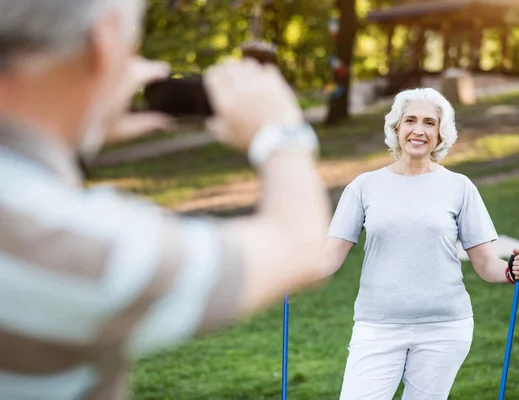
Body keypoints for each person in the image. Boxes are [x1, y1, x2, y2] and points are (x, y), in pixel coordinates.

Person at [0, 0, 331, 398]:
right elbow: (300, 247)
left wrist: (75, 128)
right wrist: (280, 134)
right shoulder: (70, 247)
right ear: (104, 41)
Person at [323, 87, 519, 400]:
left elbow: (485, 263)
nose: (418, 130)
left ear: (440, 134)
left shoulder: (459, 187)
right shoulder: (363, 187)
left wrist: (512, 270)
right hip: (377, 325)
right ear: (396, 128)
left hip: (445, 327)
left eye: (429, 123)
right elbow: (329, 259)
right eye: (410, 120)